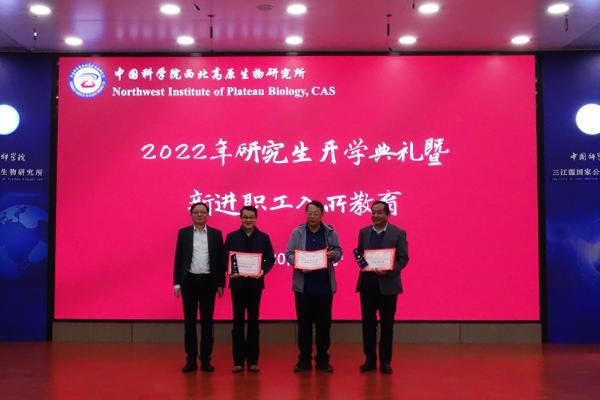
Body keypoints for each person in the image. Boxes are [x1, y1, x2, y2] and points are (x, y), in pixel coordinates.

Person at [285, 200, 342, 373]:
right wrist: (299, 263)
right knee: (304, 326)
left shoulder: (330, 232)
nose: (312, 216)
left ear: (322, 214)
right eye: (309, 213)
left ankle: (323, 360)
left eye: (315, 213)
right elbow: (289, 254)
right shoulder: (297, 232)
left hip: (324, 287)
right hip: (303, 288)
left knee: (324, 327)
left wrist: (333, 255)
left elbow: (339, 252)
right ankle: (304, 360)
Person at [354, 201, 409, 374]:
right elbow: (360, 253)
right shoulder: (364, 232)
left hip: (388, 285)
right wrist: (363, 263)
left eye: (379, 212)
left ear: (387, 214)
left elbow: (403, 258)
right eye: (373, 212)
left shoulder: (398, 232)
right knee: (368, 325)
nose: (375, 215)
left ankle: (385, 362)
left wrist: (389, 270)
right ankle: (370, 360)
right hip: (367, 284)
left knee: (387, 325)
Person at [173, 202, 226, 373]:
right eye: (196, 212)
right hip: (189, 282)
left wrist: (220, 284)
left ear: (208, 215)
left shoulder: (216, 234)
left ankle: (205, 359)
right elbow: (179, 258)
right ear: (191, 215)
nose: (199, 215)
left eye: (203, 212)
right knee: (189, 323)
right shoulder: (184, 233)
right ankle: (190, 359)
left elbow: (220, 261)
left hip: (209, 282)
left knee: (207, 323)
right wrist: (177, 283)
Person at [224, 206, 275, 373]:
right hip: (237, 285)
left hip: (255, 285)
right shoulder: (231, 237)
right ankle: (238, 361)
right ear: (240, 218)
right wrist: (229, 271)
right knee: (237, 323)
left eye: (251, 217)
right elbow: (224, 258)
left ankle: (253, 361)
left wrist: (263, 271)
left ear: (256, 218)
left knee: (254, 323)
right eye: (245, 217)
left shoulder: (263, 237)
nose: (248, 220)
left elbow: (270, 258)